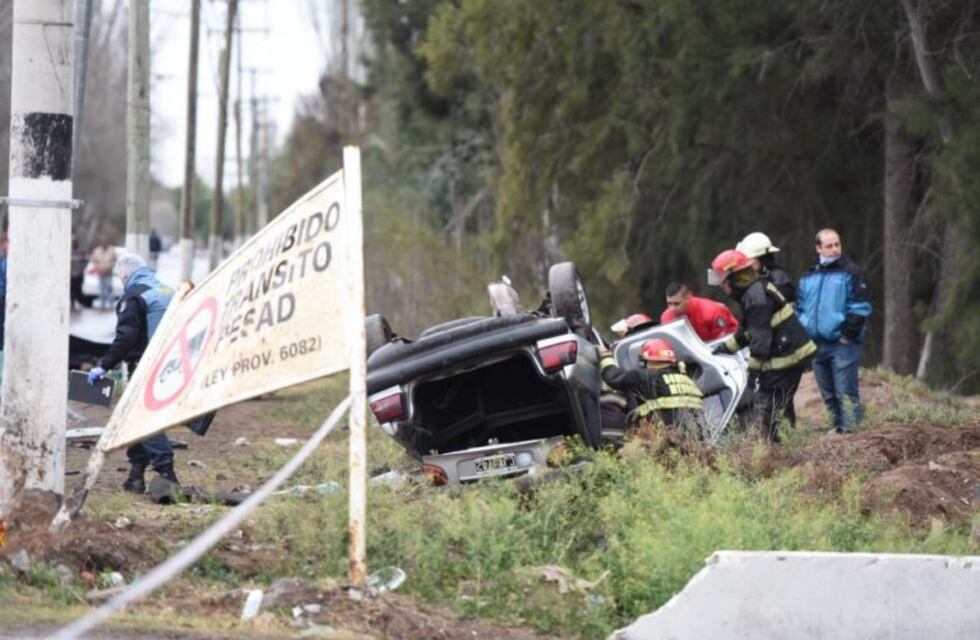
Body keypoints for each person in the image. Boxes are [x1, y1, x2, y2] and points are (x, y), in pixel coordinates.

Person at [87, 253, 177, 492]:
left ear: (125, 274)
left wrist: (104, 366)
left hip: (146, 364)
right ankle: (136, 476)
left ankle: (167, 473)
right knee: (134, 416)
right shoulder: (167, 290)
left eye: (120, 277)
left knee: (143, 417)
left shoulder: (133, 296)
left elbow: (126, 337)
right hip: (171, 363)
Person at [709, 249, 815, 443]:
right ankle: (787, 448)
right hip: (788, 356)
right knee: (780, 408)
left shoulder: (755, 297)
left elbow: (760, 340)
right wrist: (725, 348)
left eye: (723, 282)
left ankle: (777, 452)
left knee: (769, 412)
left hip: (786, 359)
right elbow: (749, 330)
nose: (723, 287)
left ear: (734, 279)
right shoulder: (754, 291)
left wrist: (753, 373)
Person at [797, 229, 872, 433]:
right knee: (828, 395)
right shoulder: (808, 276)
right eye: (829, 246)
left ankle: (851, 436)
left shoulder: (852, 272)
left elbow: (860, 308)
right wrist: (807, 335)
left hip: (843, 345)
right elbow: (800, 309)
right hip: (817, 345)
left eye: (837, 244)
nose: (835, 249)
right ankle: (837, 432)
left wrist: (847, 336)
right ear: (818, 248)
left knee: (846, 394)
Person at [599, 338, 704, 429]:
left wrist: (605, 356)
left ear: (645, 361)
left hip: (671, 438)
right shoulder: (687, 380)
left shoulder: (647, 377)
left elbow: (613, 377)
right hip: (699, 439)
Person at [660, 282, 739, 342]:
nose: (672, 309)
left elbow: (722, 342)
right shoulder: (666, 317)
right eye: (669, 304)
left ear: (688, 298)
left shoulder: (712, 311)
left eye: (676, 304)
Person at [735, 231, 796, 304]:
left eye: (748, 260)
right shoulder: (767, 276)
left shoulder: (776, 278)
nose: (746, 266)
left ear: (757, 260)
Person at [90, 239, 117, 310]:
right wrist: (98, 267)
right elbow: (93, 260)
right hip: (100, 273)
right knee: (101, 290)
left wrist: (110, 266)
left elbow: (115, 260)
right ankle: (102, 305)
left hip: (109, 273)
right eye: (103, 243)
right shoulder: (97, 251)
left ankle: (111, 305)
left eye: (105, 243)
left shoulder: (112, 250)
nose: (104, 244)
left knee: (109, 289)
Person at [70, 238, 87, 310]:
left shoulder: (81, 251)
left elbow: (85, 262)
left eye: (76, 242)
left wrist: (81, 270)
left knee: (78, 289)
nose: (75, 244)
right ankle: (72, 303)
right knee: (71, 290)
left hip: (79, 274)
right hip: (71, 275)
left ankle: (80, 302)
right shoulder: (69, 251)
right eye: (74, 242)